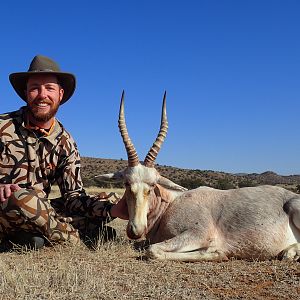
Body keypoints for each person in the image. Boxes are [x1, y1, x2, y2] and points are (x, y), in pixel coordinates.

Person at [0, 55, 128, 250]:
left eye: (49, 88)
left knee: (109, 199)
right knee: (21, 199)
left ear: (60, 94)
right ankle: (77, 237)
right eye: (35, 88)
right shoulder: (2, 126)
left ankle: (31, 237)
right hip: (7, 208)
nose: (42, 95)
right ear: (26, 93)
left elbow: (73, 197)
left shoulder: (66, 142)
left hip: (42, 211)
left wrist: (113, 209)